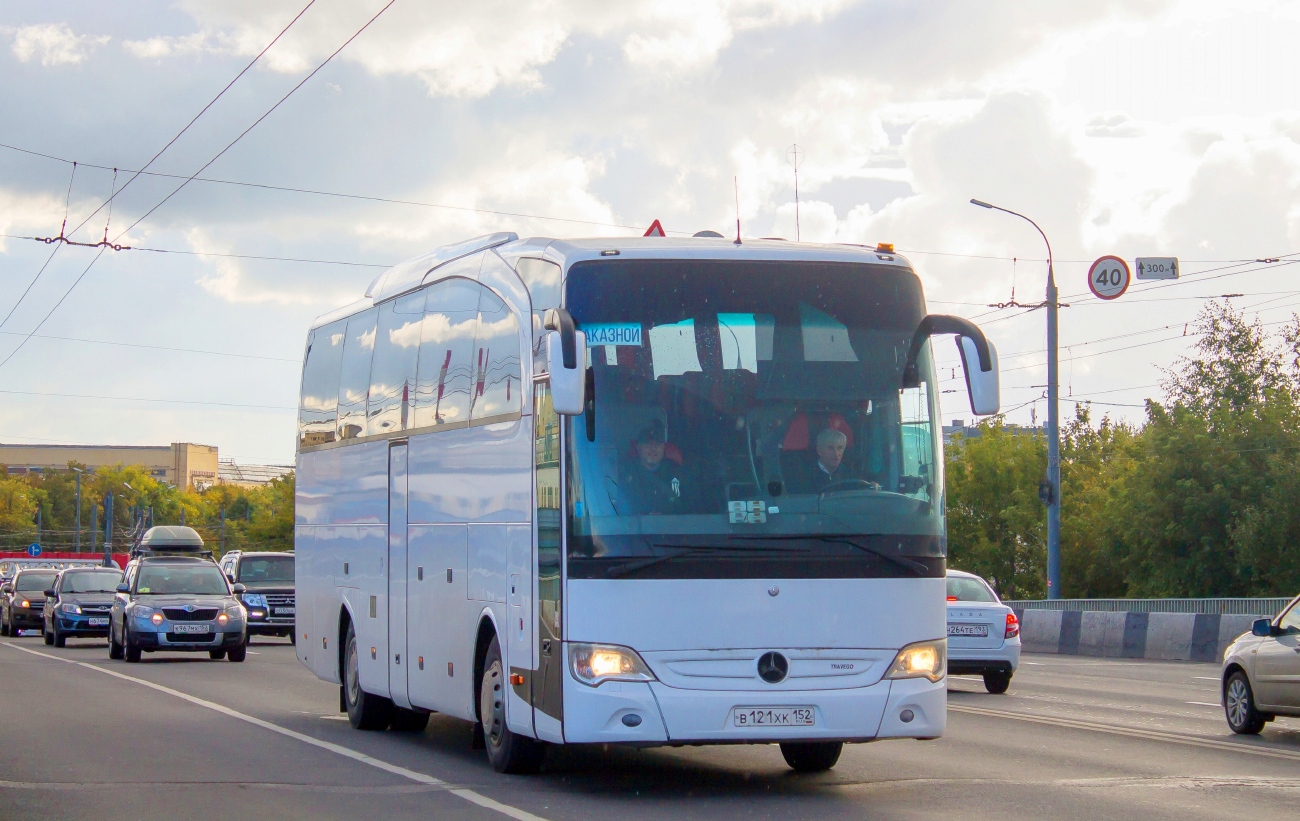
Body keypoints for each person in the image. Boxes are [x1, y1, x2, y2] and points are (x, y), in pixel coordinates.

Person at [619, 420, 686, 514]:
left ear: (663, 448)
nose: (653, 448)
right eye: (647, 444)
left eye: (657, 444)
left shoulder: (677, 472)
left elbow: (688, 507)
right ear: (638, 448)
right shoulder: (626, 474)